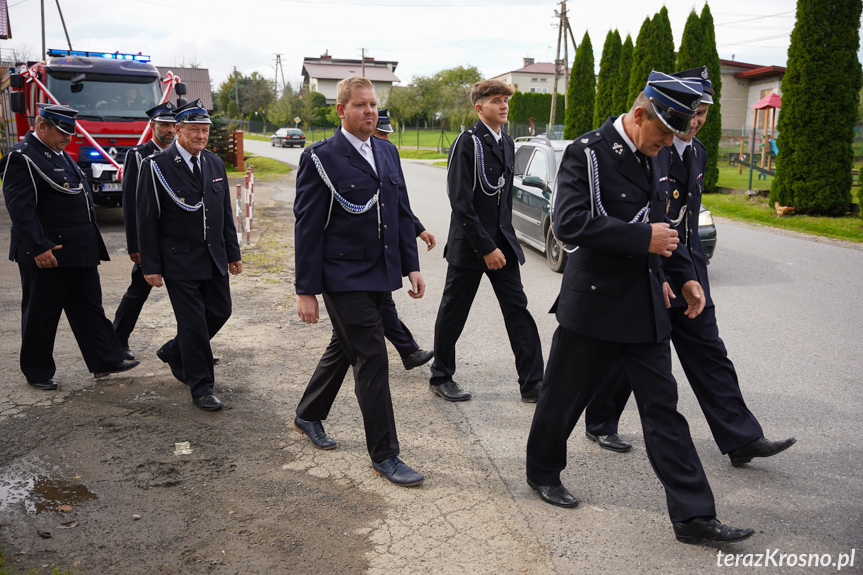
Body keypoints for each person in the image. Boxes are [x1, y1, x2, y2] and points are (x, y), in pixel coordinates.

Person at [525, 72, 754, 545]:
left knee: (663, 411)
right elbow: (569, 224)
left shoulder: (658, 153)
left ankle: (693, 516)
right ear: (638, 116)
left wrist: (686, 276)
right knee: (562, 398)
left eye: (675, 135)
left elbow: (667, 224)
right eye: (664, 133)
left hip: (645, 304)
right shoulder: (587, 154)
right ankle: (543, 471)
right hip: (592, 305)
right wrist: (639, 238)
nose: (669, 143)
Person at [583, 66, 796, 466]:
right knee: (637, 349)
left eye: (703, 113)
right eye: (691, 111)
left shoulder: (695, 153)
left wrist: (692, 275)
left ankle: (742, 438)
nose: (695, 120)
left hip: (688, 266)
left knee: (708, 350)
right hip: (648, 265)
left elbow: (687, 220)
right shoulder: (648, 148)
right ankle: (601, 420)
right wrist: (658, 273)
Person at [292, 76, 425, 487]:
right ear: (341, 111)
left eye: (373, 105)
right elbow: (308, 228)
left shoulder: (387, 151)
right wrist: (306, 290)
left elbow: (400, 211)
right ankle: (385, 456)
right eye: (360, 105)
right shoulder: (321, 158)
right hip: (342, 275)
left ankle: (308, 414)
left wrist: (411, 265)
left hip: (379, 273)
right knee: (371, 357)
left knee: (343, 345)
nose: (369, 111)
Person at [1, 103, 139, 389]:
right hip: (48, 253)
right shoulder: (22, 158)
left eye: (70, 132)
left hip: (80, 250)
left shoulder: (60, 155)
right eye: (62, 131)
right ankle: (37, 371)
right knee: (41, 314)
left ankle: (106, 361)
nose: (68, 137)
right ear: (42, 127)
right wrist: (38, 247)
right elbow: (21, 210)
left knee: (90, 308)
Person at [429, 80, 543, 403]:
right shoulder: (467, 143)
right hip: (471, 246)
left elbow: (503, 199)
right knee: (454, 311)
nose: (504, 105)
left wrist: (502, 243)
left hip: (502, 246)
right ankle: (441, 376)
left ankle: (533, 383)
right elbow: (460, 202)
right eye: (496, 100)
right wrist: (486, 248)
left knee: (517, 310)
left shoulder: (506, 143)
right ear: (479, 108)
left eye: (506, 99)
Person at [136, 99, 242, 411]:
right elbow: (146, 219)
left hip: (213, 257)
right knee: (194, 324)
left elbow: (223, 214)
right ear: (178, 130)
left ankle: (173, 350)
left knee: (221, 311)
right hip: (178, 260)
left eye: (205, 129)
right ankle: (202, 387)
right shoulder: (156, 166)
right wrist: (150, 265)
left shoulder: (213, 163)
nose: (201, 135)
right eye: (194, 129)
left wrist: (233, 253)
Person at [112, 102, 177, 361]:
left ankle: (189, 344)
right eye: (164, 125)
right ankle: (117, 339)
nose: (170, 130)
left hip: (177, 240)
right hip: (150, 240)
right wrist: (135, 245)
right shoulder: (138, 155)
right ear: (152, 126)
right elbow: (130, 203)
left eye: (173, 125)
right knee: (138, 292)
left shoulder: (180, 155)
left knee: (188, 296)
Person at [374, 108, 435, 370]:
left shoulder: (387, 154)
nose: (386, 140)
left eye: (387, 134)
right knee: (377, 305)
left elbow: (398, 201)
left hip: (382, 248)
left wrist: (417, 228)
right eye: (380, 133)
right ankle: (407, 351)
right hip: (358, 251)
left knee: (380, 303)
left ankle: (408, 351)